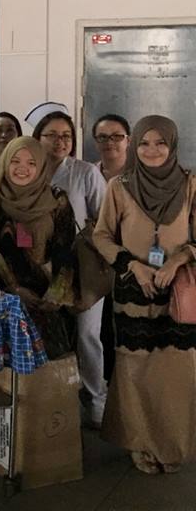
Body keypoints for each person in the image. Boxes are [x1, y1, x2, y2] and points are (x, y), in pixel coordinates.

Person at [93, 116, 196, 474]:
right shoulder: (119, 187)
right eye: (144, 143)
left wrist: (178, 260)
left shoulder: (190, 184)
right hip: (134, 290)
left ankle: (171, 442)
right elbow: (101, 236)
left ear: (173, 144)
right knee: (134, 368)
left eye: (161, 142)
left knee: (174, 369)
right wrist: (133, 266)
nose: (152, 150)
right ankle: (139, 443)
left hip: (177, 292)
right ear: (134, 146)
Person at [28, 102, 108, 426]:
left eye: (66, 136)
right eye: (52, 135)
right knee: (48, 334)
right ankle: (56, 401)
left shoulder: (85, 172)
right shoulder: (28, 170)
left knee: (88, 334)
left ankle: (96, 400)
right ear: (38, 138)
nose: (60, 142)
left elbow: (103, 221)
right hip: (40, 268)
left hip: (82, 267)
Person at [0, 137, 79, 359]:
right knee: (3, 370)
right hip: (1, 301)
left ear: (41, 166)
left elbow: (66, 249)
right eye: (15, 161)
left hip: (48, 303)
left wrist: (54, 295)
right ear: (5, 163)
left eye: (31, 163)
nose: (22, 168)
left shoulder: (56, 201)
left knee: (49, 368)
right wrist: (13, 289)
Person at [93, 113, 131, 181]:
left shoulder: (142, 174)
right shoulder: (88, 173)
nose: (109, 142)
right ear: (96, 142)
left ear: (128, 140)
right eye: (103, 137)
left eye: (116, 136)